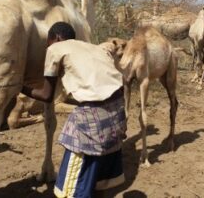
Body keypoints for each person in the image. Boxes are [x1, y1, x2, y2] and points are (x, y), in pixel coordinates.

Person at [22, 22, 127, 197]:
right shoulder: (94, 48)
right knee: (100, 181)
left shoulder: (56, 48)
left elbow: (47, 95)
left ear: (55, 38)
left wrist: (20, 87)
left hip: (92, 116)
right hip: (117, 114)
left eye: (48, 42)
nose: (48, 46)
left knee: (71, 186)